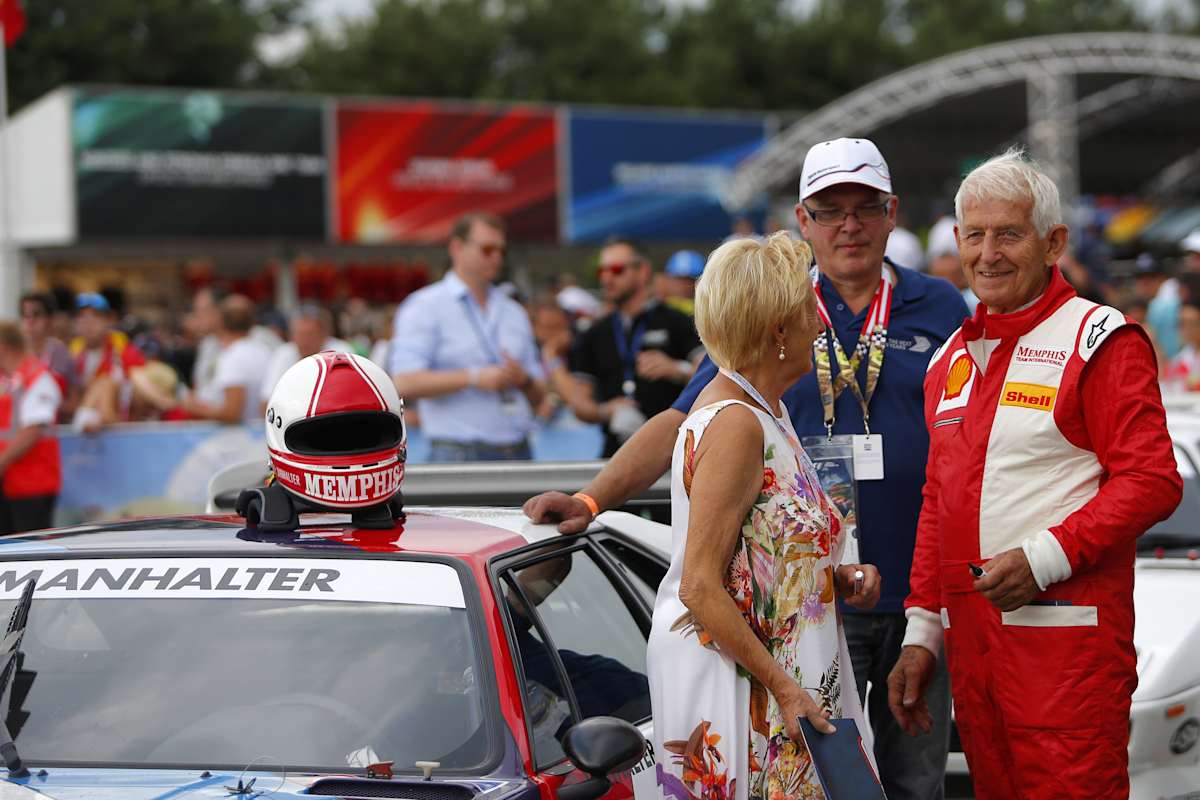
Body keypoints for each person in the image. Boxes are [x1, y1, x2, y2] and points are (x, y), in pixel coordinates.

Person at [526, 137, 966, 800]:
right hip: (788, 633)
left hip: (899, 589)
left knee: (909, 778)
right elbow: (681, 426)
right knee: (837, 771)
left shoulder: (938, 308)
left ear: (892, 213)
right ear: (804, 219)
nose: (849, 224)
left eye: (865, 207)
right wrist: (592, 501)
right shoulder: (765, 325)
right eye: (830, 209)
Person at [887, 148, 1182, 800]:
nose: (988, 253)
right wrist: (922, 634)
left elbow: (1154, 479)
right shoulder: (950, 358)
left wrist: (1044, 558)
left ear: (1054, 243)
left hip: (1067, 655)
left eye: (1008, 233)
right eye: (974, 234)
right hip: (974, 656)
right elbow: (939, 501)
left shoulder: (1099, 336)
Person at [648, 232, 880, 800]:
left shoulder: (764, 409)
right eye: (808, 313)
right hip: (754, 688)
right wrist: (782, 687)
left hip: (781, 679)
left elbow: (760, 553)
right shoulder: (735, 423)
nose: (820, 327)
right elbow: (700, 586)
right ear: (777, 330)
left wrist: (832, 578)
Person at [390, 212, 546, 461]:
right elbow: (404, 382)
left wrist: (523, 379)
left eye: (501, 251)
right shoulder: (424, 306)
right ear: (457, 248)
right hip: (457, 452)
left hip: (519, 449)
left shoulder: (513, 311)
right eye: (487, 249)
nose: (497, 257)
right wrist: (473, 378)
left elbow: (540, 394)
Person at [565, 238, 702, 457]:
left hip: (672, 453)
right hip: (615, 453)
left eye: (617, 269)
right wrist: (605, 411)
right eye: (602, 271)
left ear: (643, 271)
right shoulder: (594, 332)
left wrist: (678, 370)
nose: (607, 278)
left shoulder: (678, 321)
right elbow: (579, 403)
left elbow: (714, 377)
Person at [0, 322, 63, 534]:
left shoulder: (37, 378)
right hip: (12, 483)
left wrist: (1, 462)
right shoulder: (11, 379)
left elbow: (33, 430)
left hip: (33, 483)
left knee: (30, 551)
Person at [179, 294, 271, 425]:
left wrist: (195, 407)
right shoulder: (263, 351)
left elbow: (232, 412)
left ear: (221, 321)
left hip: (239, 440)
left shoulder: (233, 357)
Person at [70, 292, 147, 431]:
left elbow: (142, 395)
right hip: (85, 435)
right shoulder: (72, 355)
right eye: (82, 317)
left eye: (96, 316)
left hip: (122, 430)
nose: (89, 323)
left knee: (106, 382)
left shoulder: (125, 351)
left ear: (109, 320)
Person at [259, 304, 352, 412]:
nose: (304, 341)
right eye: (299, 334)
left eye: (310, 334)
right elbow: (266, 403)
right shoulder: (284, 354)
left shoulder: (342, 353)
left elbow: (348, 398)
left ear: (324, 336)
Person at [19, 292, 78, 416]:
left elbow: (74, 403)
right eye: (25, 315)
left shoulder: (61, 354)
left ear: (50, 319)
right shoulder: (12, 352)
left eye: (36, 315)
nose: (30, 321)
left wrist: (46, 403)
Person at [660, 249, 705, 316]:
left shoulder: (707, 312)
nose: (685, 285)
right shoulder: (652, 311)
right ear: (667, 280)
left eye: (691, 279)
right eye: (679, 279)